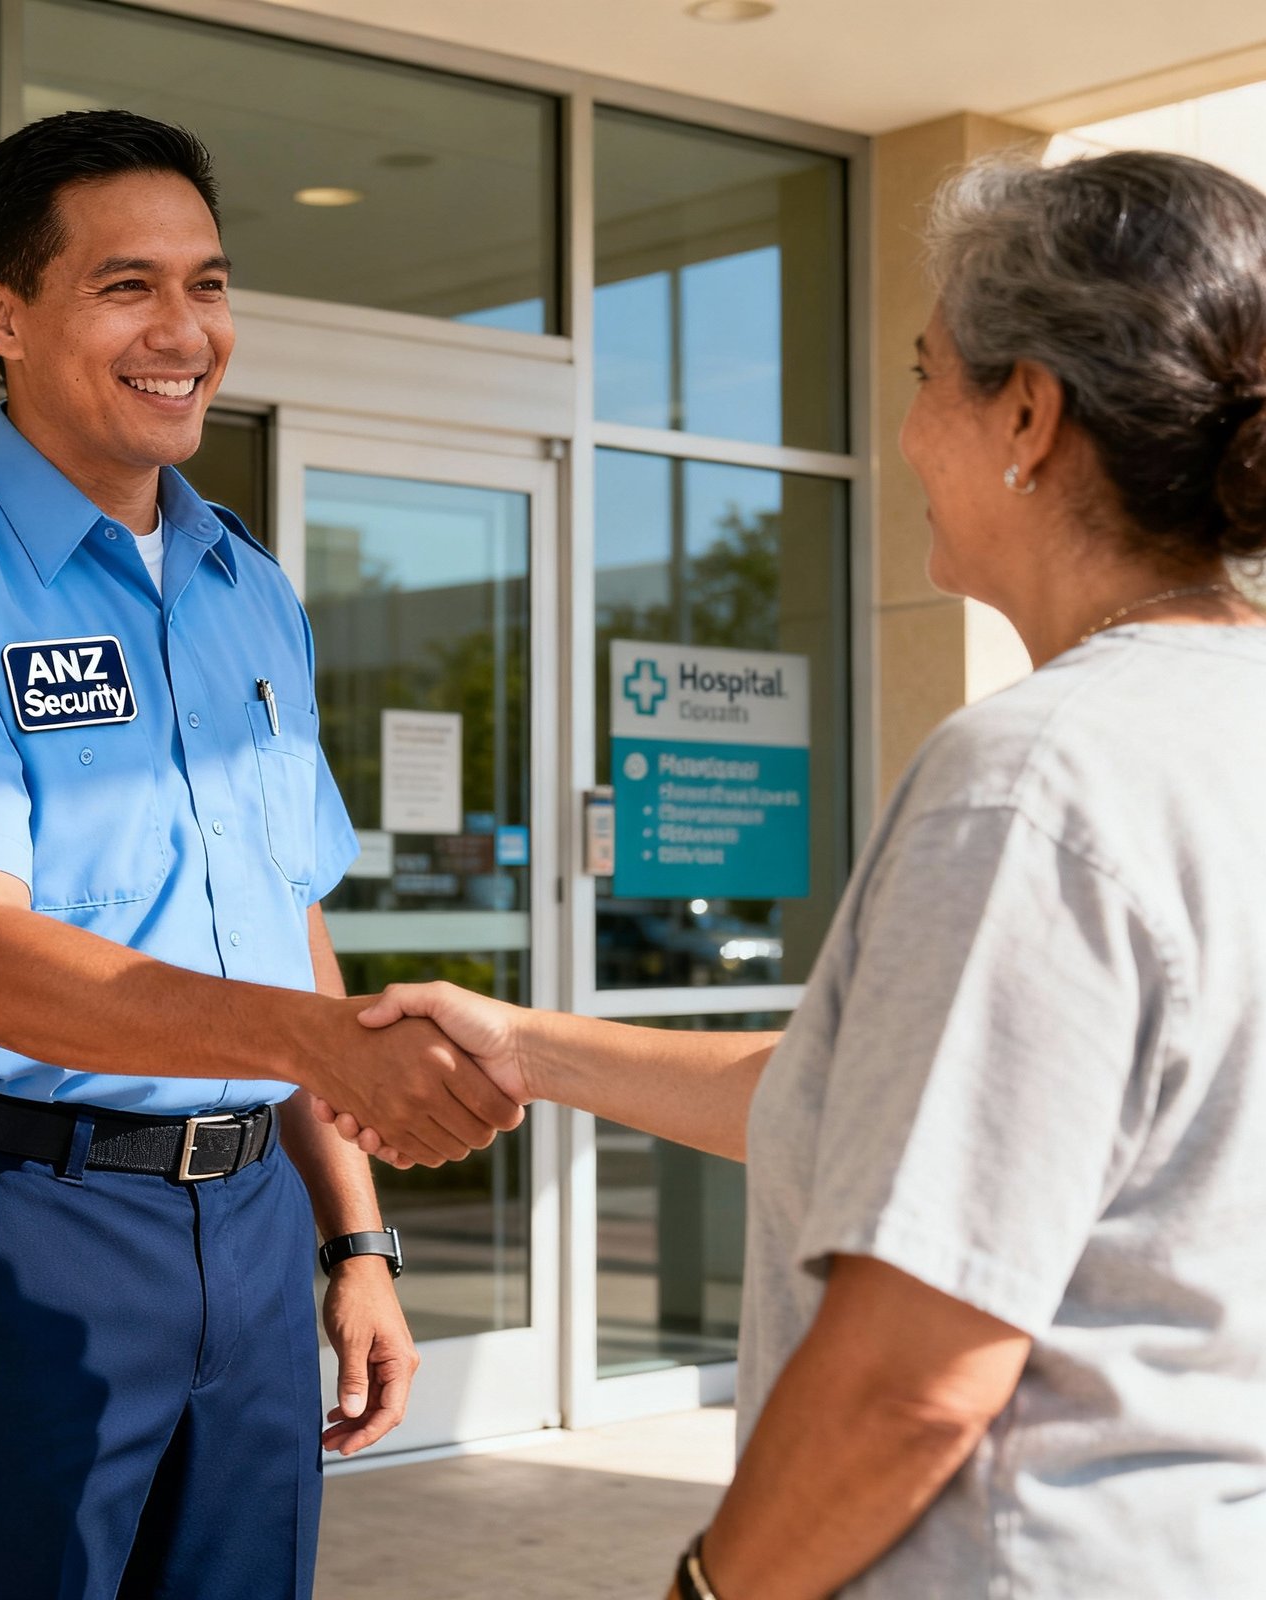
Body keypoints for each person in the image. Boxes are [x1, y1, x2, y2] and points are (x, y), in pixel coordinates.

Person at [322, 149, 1266, 1598]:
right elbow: (882, 1106)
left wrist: (712, 1590)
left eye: (925, 375)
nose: (905, 430)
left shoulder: (1033, 778)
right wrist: (526, 1047)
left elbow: (913, 1378)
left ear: (1027, 413)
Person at [0, 110, 520, 1600]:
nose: (184, 332)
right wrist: (318, 1040)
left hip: (251, 1228)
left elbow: (288, 923)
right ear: (2, 315)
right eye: (127, 286)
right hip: (12, 1221)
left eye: (209, 285)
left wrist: (355, 1244)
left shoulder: (249, 589)